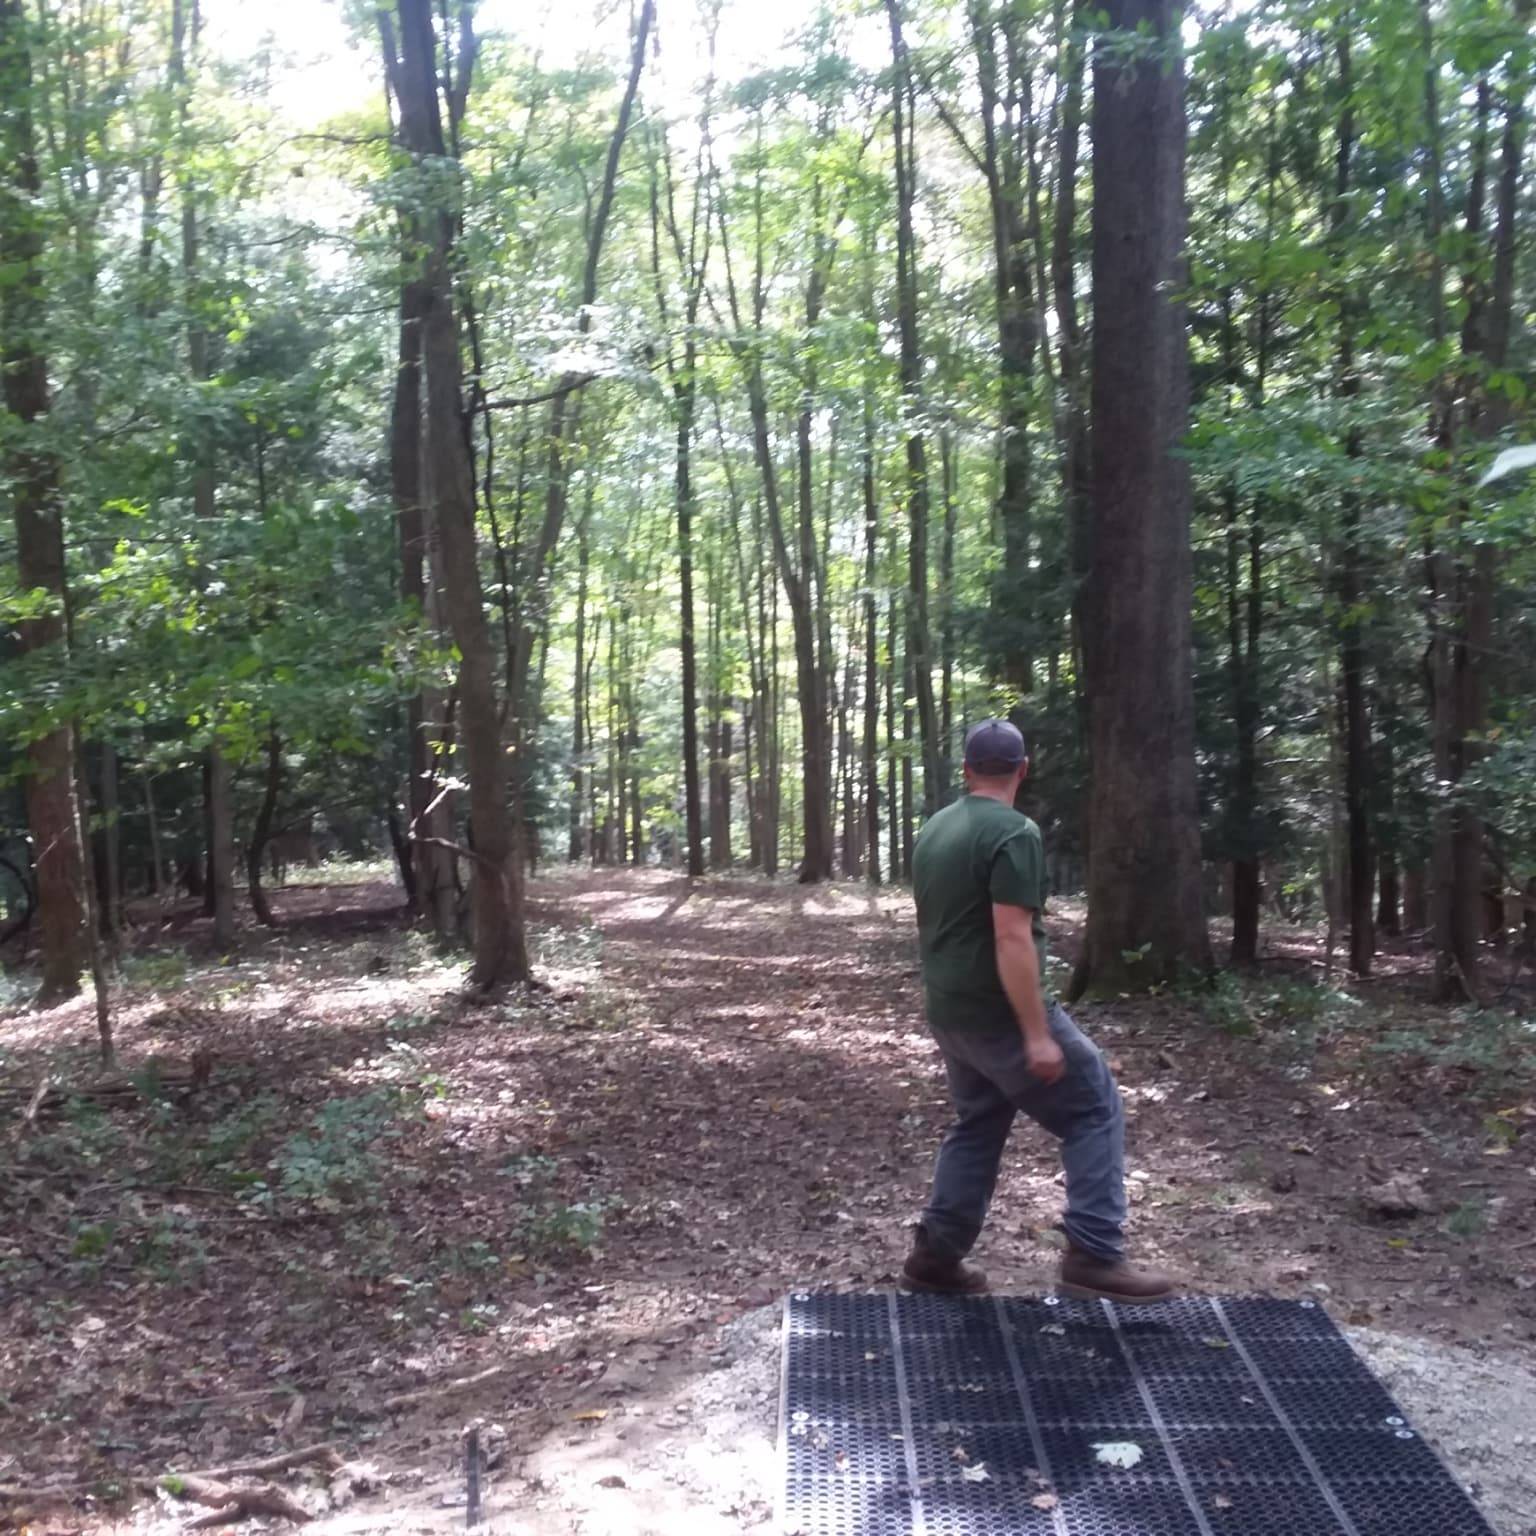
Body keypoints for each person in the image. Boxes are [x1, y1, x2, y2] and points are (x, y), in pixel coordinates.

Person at [901, 718, 1175, 1302]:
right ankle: (1095, 1255)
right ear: (1023, 769)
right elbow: (1011, 938)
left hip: (950, 1011)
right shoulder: (1015, 832)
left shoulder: (935, 830)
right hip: (1001, 1013)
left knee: (979, 1122)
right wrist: (1037, 1033)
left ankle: (936, 1256)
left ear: (968, 770)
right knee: (1094, 1107)